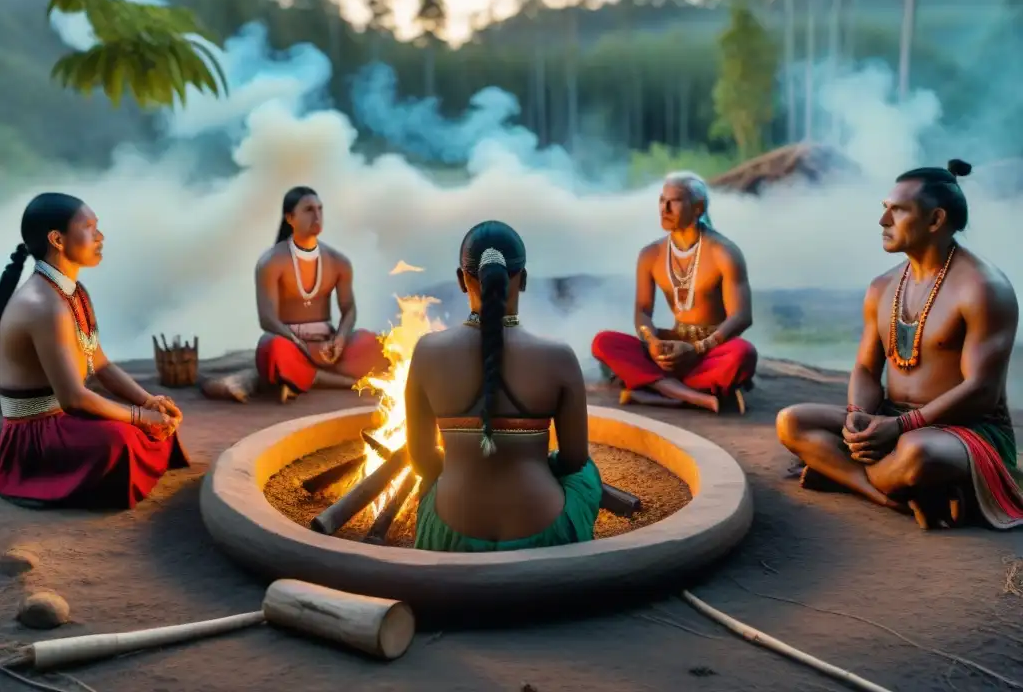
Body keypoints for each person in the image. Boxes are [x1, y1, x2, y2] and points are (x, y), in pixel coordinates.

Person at [777, 160, 1023, 530]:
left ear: (935, 219)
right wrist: (858, 414)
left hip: (963, 430)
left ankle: (841, 472)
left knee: (917, 454)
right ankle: (884, 493)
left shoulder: (983, 288)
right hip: (888, 418)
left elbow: (981, 392)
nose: (883, 222)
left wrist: (901, 426)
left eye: (898, 211)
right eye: (884, 210)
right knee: (791, 421)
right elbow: (864, 367)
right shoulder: (882, 287)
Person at [406, 220, 602, 552]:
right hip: (543, 533)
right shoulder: (559, 357)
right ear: (522, 280)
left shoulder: (426, 351)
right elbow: (574, 459)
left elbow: (422, 461)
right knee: (588, 474)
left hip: (451, 536)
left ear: (461, 279)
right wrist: (538, 463)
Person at [0, 193, 188, 510]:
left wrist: (147, 401)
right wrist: (141, 418)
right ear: (57, 239)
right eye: (88, 227)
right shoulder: (44, 304)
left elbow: (100, 365)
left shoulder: (74, 293)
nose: (100, 237)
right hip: (35, 436)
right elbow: (74, 398)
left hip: (64, 420)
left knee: (156, 425)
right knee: (122, 440)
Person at [591, 171, 758, 414]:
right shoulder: (651, 254)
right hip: (671, 349)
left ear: (698, 207)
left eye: (674, 201)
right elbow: (643, 310)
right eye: (661, 200)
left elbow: (742, 316)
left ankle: (654, 389)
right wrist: (653, 342)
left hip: (709, 350)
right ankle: (693, 397)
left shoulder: (724, 252)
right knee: (603, 342)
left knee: (743, 353)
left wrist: (699, 348)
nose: (664, 208)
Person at [202, 186, 387, 403]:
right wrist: (299, 344)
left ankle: (303, 378)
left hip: (328, 346)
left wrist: (340, 339)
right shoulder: (271, 262)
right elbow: (267, 318)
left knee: (375, 344)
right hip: (291, 344)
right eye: (309, 210)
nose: (317, 216)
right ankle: (338, 381)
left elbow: (349, 309)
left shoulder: (338, 261)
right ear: (290, 218)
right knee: (272, 347)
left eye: (320, 209)